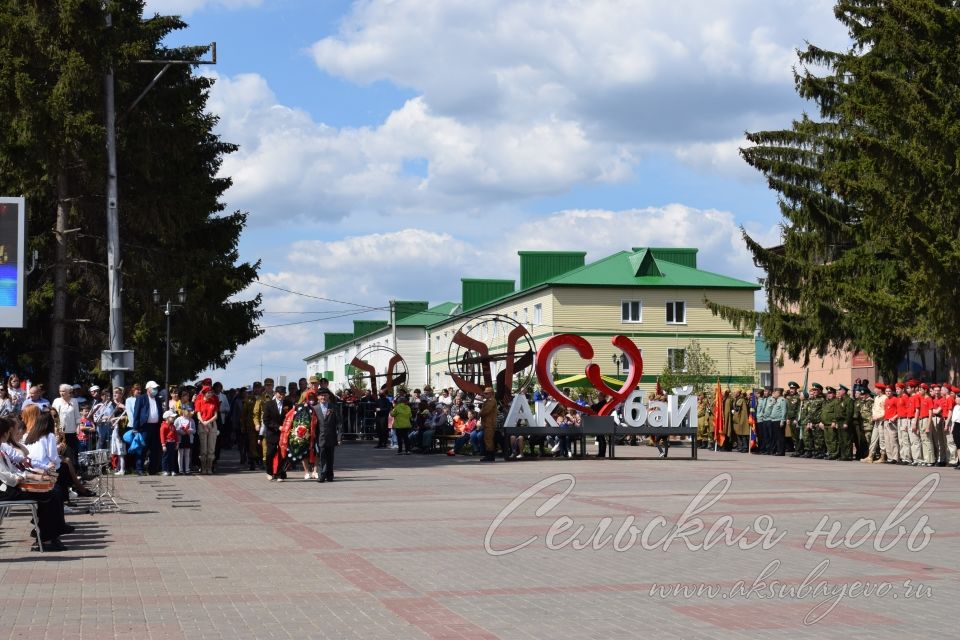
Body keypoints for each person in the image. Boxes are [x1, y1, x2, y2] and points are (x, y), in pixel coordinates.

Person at [0, 416, 69, 552]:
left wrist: (28, 476)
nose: (10, 434)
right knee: (48, 495)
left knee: (52, 491)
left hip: (11, 485)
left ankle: (51, 534)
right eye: (8, 432)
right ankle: (46, 539)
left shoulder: (2, 447)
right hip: (5, 490)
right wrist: (28, 476)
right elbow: (6, 476)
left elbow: (14, 467)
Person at [132, 381, 164, 475]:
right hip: (144, 427)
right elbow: (136, 414)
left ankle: (153, 469)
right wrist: (135, 428)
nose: (155, 390)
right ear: (148, 389)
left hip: (155, 427)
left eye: (156, 388)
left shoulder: (158, 399)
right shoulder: (141, 398)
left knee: (155, 449)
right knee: (142, 448)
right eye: (153, 388)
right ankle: (139, 469)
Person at [262, 385, 288, 481]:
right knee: (270, 453)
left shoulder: (288, 403)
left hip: (284, 434)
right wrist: (278, 427)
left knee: (283, 454)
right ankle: (269, 472)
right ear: (275, 393)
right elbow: (266, 420)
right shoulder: (269, 404)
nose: (281, 396)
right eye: (279, 393)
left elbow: (290, 416)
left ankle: (280, 473)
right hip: (272, 433)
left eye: (283, 394)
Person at [51, 384, 81, 467]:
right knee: (60, 450)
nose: (61, 393)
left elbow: (77, 416)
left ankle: (73, 470)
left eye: (64, 391)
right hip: (59, 431)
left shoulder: (74, 401)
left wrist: (78, 427)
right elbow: (53, 415)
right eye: (60, 391)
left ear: (69, 392)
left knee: (71, 451)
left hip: (71, 430)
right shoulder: (56, 401)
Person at [193, 385, 220, 475]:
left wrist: (208, 422)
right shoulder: (199, 401)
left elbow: (216, 415)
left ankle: (209, 468)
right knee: (203, 449)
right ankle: (203, 468)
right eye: (208, 393)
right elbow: (198, 415)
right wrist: (204, 423)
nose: (210, 394)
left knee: (211, 448)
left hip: (212, 424)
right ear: (204, 393)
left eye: (211, 392)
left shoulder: (213, 402)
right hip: (202, 425)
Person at [314, 388, 339, 482]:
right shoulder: (315, 408)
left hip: (331, 436)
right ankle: (321, 475)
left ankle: (329, 475)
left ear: (328, 396)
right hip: (320, 437)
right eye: (321, 395)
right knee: (321, 456)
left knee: (330, 457)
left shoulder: (333, 407)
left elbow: (339, 423)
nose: (323, 397)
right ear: (318, 397)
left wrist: (339, 437)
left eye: (325, 395)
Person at [479, 387, 499, 462]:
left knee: (488, 440)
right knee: (487, 439)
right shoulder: (488, 400)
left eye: (486, 393)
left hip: (489, 423)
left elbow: (486, 411)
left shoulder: (491, 401)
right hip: (487, 423)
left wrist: (480, 413)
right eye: (485, 393)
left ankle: (490, 456)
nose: (485, 394)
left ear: (491, 393)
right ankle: (489, 455)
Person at [174, 404, 196, 475]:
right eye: (187, 410)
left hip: (188, 439)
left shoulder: (191, 420)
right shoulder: (178, 419)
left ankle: (187, 469)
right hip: (181, 439)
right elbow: (174, 429)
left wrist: (189, 431)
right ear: (183, 411)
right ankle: (180, 469)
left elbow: (194, 430)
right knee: (180, 454)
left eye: (189, 411)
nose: (189, 412)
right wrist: (180, 431)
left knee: (187, 454)